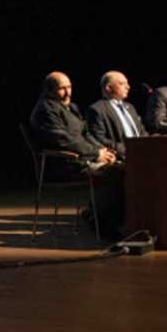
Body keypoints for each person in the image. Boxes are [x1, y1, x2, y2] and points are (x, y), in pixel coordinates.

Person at [29, 72, 122, 236]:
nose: (68, 92)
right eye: (62, 89)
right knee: (116, 173)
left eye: (69, 87)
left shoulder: (71, 107)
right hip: (64, 165)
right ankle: (102, 222)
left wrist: (103, 150)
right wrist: (96, 154)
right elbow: (63, 141)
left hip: (82, 159)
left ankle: (98, 214)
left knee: (125, 167)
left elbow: (86, 134)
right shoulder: (45, 110)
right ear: (48, 90)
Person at [86, 71, 147, 160]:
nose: (128, 87)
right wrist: (129, 149)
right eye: (122, 84)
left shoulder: (130, 107)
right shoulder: (97, 109)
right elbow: (99, 139)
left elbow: (141, 131)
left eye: (127, 83)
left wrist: (149, 143)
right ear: (109, 88)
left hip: (142, 153)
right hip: (121, 157)